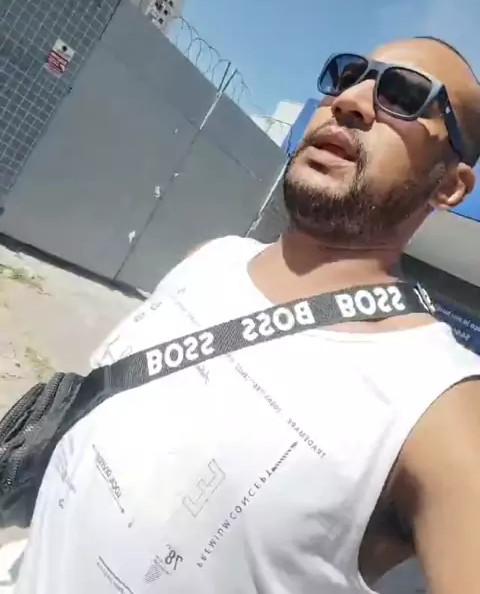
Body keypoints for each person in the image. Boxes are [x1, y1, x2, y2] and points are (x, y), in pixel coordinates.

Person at [14, 36, 480, 594]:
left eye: (403, 94)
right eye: (348, 75)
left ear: (450, 186)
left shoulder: (440, 407)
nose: (350, 100)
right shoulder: (213, 258)